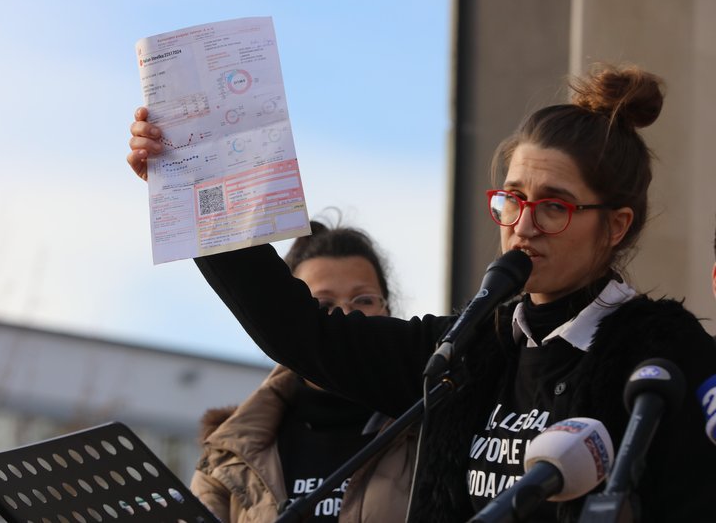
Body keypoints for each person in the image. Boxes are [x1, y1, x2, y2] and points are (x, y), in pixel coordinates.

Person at [128, 63, 716, 522]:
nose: (523, 224)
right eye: (512, 199)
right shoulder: (463, 349)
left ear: (614, 225)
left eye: (555, 207)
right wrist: (191, 183)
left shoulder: (663, 357)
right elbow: (301, 334)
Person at [190, 218, 416, 523]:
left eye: (363, 300)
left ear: (388, 310)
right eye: (321, 306)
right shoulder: (226, 457)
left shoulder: (435, 427)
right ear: (283, 323)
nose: (345, 317)